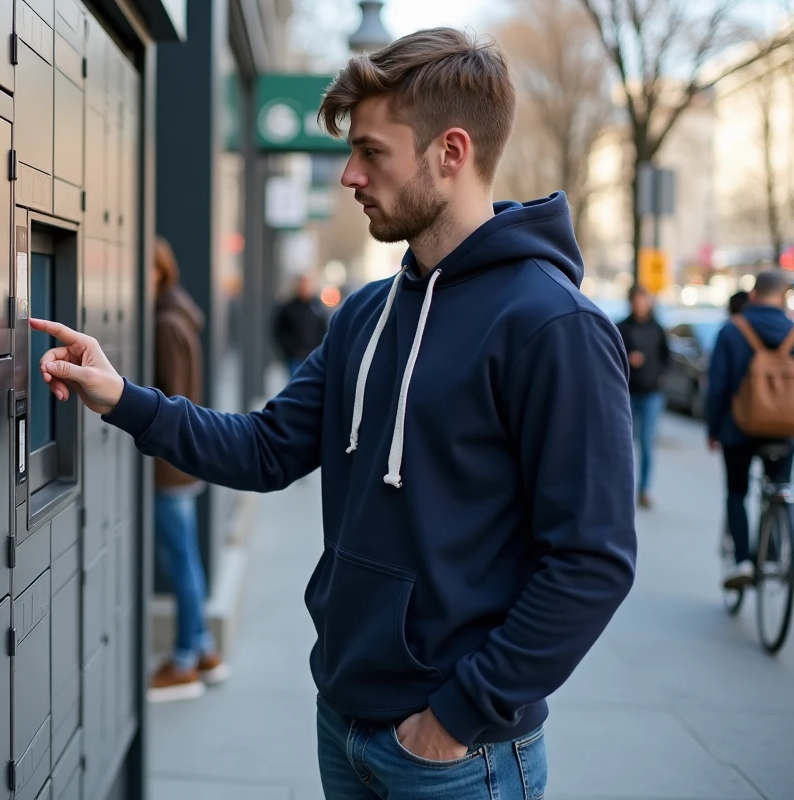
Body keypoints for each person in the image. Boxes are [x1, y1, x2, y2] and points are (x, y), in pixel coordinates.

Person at [32, 27, 635, 799]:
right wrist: (123, 399)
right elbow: (264, 448)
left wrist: (457, 717)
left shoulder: (554, 327)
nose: (350, 174)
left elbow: (593, 560)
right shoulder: (365, 314)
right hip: (344, 721)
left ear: (451, 153)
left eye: (372, 152)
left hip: (458, 757)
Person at [147, 237, 229, 702]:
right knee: (184, 558)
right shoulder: (177, 315)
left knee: (180, 561)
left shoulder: (165, 322)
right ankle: (202, 650)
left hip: (170, 466)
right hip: (178, 463)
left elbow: (171, 404)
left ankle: (183, 663)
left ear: (157, 272)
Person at [705, 269, 794, 589]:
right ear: (783, 296)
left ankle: (742, 560)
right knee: (779, 485)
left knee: (737, 493)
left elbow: (717, 388)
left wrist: (713, 428)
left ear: (753, 295)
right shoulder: (793, 330)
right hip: (784, 430)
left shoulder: (732, 331)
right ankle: (775, 548)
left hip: (737, 428)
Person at [616, 284, 671, 509]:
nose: (640, 304)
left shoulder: (657, 328)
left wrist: (660, 377)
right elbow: (612, 357)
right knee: (623, 442)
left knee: (647, 442)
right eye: (636, 300)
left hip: (651, 393)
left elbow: (667, 358)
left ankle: (645, 488)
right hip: (627, 392)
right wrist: (628, 360)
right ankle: (622, 488)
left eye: (643, 300)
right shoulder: (621, 327)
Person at [274, 273, 329, 376]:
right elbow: (279, 331)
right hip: (295, 358)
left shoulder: (317, 308)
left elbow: (323, 330)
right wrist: (290, 350)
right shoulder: (288, 308)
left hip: (313, 356)